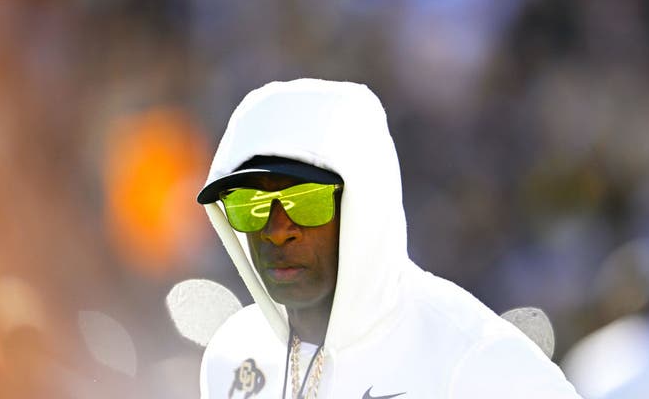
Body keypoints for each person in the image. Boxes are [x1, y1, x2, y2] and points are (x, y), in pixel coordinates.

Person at [196, 78, 581, 398]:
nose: (277, 231)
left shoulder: (479, 361)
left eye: (306, 201)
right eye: (250, 203)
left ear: (367, 204)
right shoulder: (233, 354)